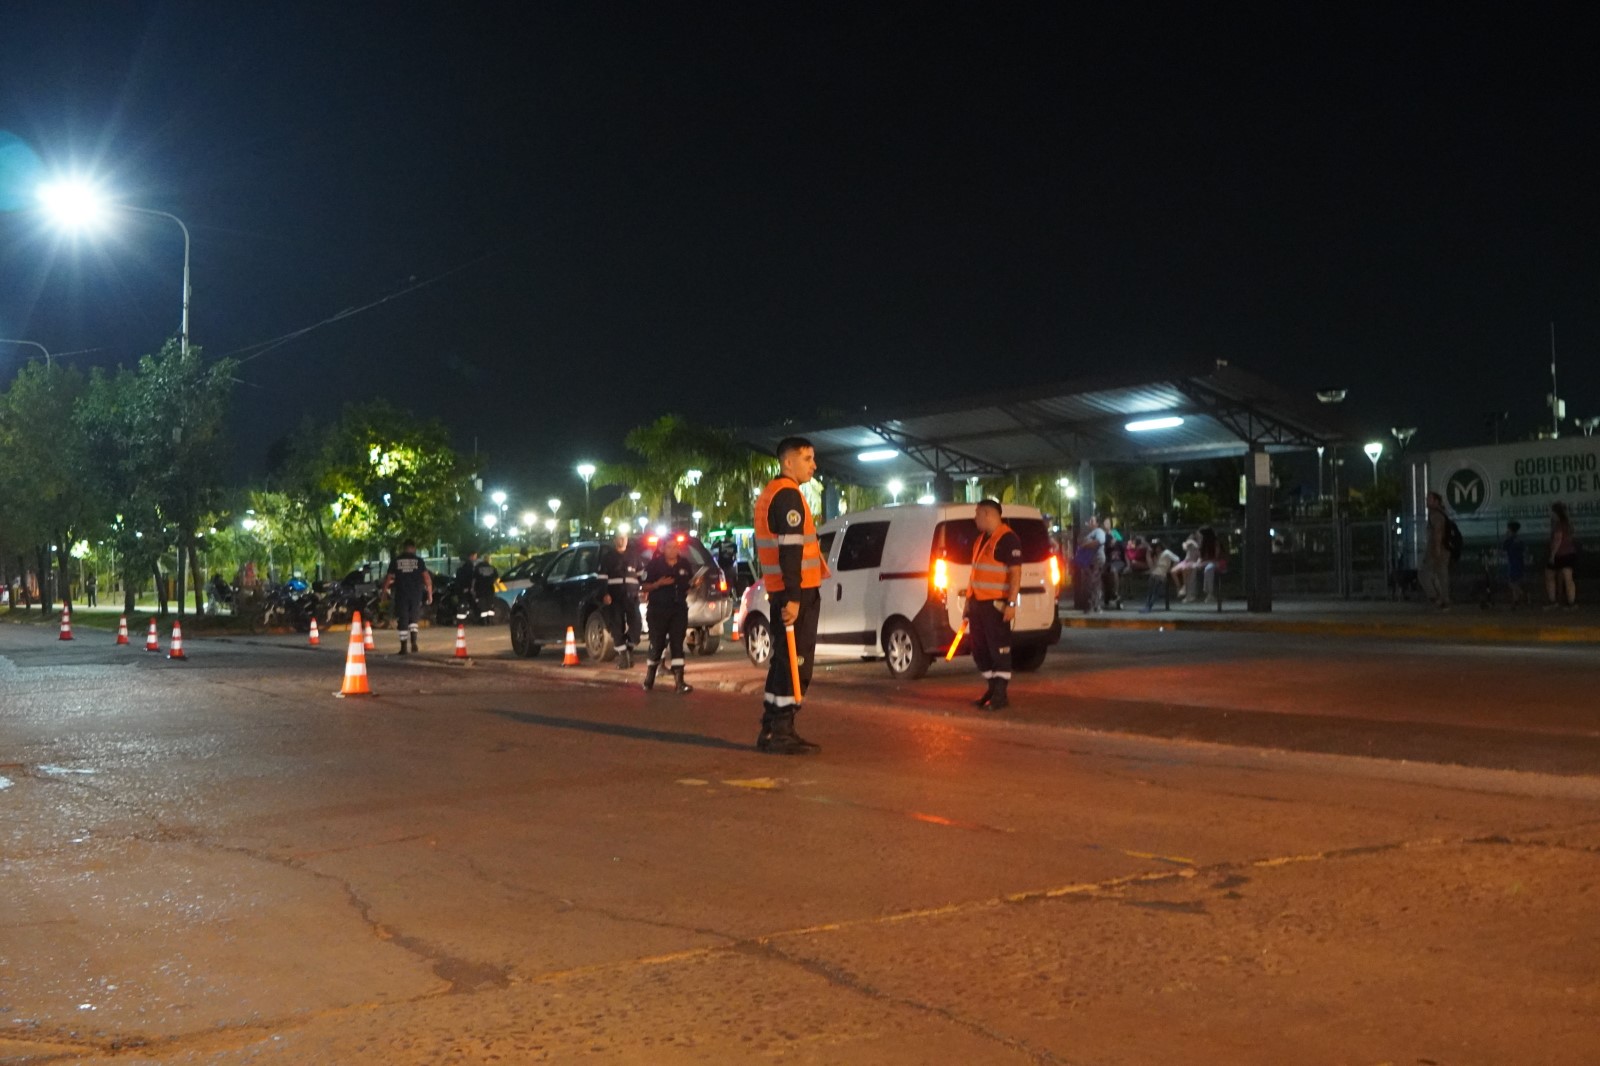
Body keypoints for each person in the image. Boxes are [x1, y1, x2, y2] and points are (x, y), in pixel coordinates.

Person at [752, 436, 826, 754]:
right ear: (788, 462)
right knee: (796, 663)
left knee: (783, 661)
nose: (814, 465)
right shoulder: (788, 495)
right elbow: (791, 550)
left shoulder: (773, 493)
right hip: (796, 593)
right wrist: (794, 598)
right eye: (807, 458)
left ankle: (773, 727)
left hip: (782, 590)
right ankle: (781, 730)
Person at [964, 499, 1023, 710]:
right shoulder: (981, 540)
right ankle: (991, 688)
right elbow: (975, 574)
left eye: (977, 513)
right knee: (980, 650)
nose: (975, 518)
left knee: (999, 649)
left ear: (988, 514)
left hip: (996, 604)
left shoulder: (1008, 539)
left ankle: (1000, 694)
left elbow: (1015, 574)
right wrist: (968, 602)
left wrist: (1011, 603)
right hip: (978, 604)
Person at [640, 537, 697, 693]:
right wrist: (658, 584)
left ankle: (680, 682)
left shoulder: (684, 564)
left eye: (675, 547)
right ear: (663, 549)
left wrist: (693, 585)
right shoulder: (654, 565)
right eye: (669, 547)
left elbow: (687, 585)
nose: (673, 550)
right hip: (658, 610)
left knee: (677, 644)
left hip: (678, 609)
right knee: (657, 644)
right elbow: (643, 587)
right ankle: (649, 679)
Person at [599, 532, 644, 668]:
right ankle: (623, 656)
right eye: (619, 538)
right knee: (616, 626)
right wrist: (605, 594)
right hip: (615, 597)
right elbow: (602, 578)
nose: (622, 540)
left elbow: (641, 575)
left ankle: (628, 647)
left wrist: (643, 590)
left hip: (632, 597)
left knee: (636, 625)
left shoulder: (634, 556)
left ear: (627, 540)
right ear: (615, 540)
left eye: (624, 538)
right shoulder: (608, 558)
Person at [381, 539, 433, 654]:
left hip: (401, 593)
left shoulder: (396, 561)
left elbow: (388, 578)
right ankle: (414, 643)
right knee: (413, 618)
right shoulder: (419, 561)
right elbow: (427, 578)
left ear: (404, 548)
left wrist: (384, 593)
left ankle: (403, 647)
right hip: (416, 594)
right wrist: (430, 594)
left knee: (403, 618)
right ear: (413, 548)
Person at [1545, 501, 1578, 608]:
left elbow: (1557, 540)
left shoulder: (1558, 525)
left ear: (1556, 513)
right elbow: (1572, 536)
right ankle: (1571, 603)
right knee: (1569, 579)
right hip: (1569, 553)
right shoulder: (1568, 523)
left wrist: (1552, 555)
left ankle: (1553, 601)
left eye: (1552, 512)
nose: (1550, 514)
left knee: (1550, 576)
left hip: (1560, 554)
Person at [1423, 491, 1452, 609]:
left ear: (1436, 501)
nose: (1427, 501)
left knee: (1424, 573)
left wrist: (1437, 549)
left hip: (1437, 548)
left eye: (1429, 499)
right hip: (1443, 548)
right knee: (1441, 575)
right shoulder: (1442, 513)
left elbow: (1438, 532)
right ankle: (1444, 599)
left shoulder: (1435, 515)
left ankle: (1437, 597)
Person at [1141, 539, 1181, 613]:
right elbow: (1152, 567)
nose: (1156, 549)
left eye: (1157, 546)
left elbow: (1177, 559)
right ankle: (1147, 605)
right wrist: (1148, 554)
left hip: (1162, 575)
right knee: (1150, 589)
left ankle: (1149, 606)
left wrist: (1172, 569)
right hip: (1154, 574)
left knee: (1155, 588)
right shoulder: (1155, 555)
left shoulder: (1166, 552)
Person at [1078, 517, 1106, 612]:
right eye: (1089, 520)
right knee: (1090, 582)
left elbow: (1099, 541)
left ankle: (1095, 604)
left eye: (1092, 521)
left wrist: (1085, 545)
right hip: (1089, 561)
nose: (1090, 522)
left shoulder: (1099, 532)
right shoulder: (1089, 534)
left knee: (1094, 581)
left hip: (1097, 560)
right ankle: (1092, 604)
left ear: (1097, 523)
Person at [1101, 516, 1126, 609]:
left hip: (1118, 560)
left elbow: (1122, 544)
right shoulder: (1102, 535)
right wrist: (1109, 545)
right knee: (1104, 573)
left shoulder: (1115, 533)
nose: (1107, 524)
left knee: (1113, 570)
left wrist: (1116, 542)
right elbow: (1103, 548)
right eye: (1105, 523)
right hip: (1108, 560)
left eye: (1108, 523)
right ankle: (1109, 596)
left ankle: (1115, 593)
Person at [1502, 521, 1526, 607]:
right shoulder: (1519, 539)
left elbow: (1504, 548)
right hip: (1519, 562)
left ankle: (1522, 594)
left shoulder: (1510, 540)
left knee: (1512, 582)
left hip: (1513, 563)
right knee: (1516, 582)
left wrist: (1506, 537)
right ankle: (1516, 600)